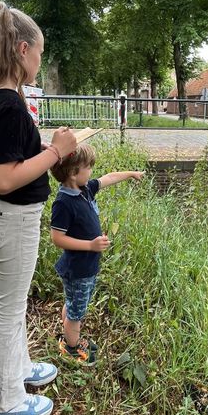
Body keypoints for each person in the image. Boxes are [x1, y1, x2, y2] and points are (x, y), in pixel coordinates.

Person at [0, 1, 77, 415]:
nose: (39, 61)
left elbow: (12, 159)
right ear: (21, 48)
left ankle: (17, 372)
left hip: (8, 218)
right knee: (8, 311)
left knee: (12, 305)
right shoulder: (7, 104)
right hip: (11, 218)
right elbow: (4, 178)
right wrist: (55, 152)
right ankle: (1, 402)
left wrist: (45, 149)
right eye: (39, 53)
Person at [50, 143, 144, 365]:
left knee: (73, 301)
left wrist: (131, 174)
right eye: (88, 167)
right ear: (73, 172)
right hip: (78, 268)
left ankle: (67, 334)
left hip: (84, 267)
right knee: (77, 312)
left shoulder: (84, 189)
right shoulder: (63, 203)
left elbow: (109, 178)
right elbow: (57, 238)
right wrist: (90, 246)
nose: (92, 171)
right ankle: (71, 348)